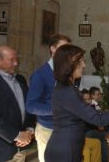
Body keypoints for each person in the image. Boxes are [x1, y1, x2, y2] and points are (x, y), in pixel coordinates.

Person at [44, 44, 109, 162]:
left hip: (68, 146)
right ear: (69, 64)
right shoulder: (67, 91)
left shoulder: (66, 87)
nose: (84, 64)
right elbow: (98, 119)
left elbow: (87, 116)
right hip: (65, 150)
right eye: (80, 61)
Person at [26, 34, 71, 162]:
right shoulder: (40, 74)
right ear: (52, 49)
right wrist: (57, 109)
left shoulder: (65, 72)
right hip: (47, 129)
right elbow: (31, 106)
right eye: (64, 48)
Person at [0, 45, 36, 162]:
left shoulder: (20, 79)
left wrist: (29, 129)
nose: (16, 63)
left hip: (22, 145)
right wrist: (17, 135)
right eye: (12, 60)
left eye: (16, 59)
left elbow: (28, 107)